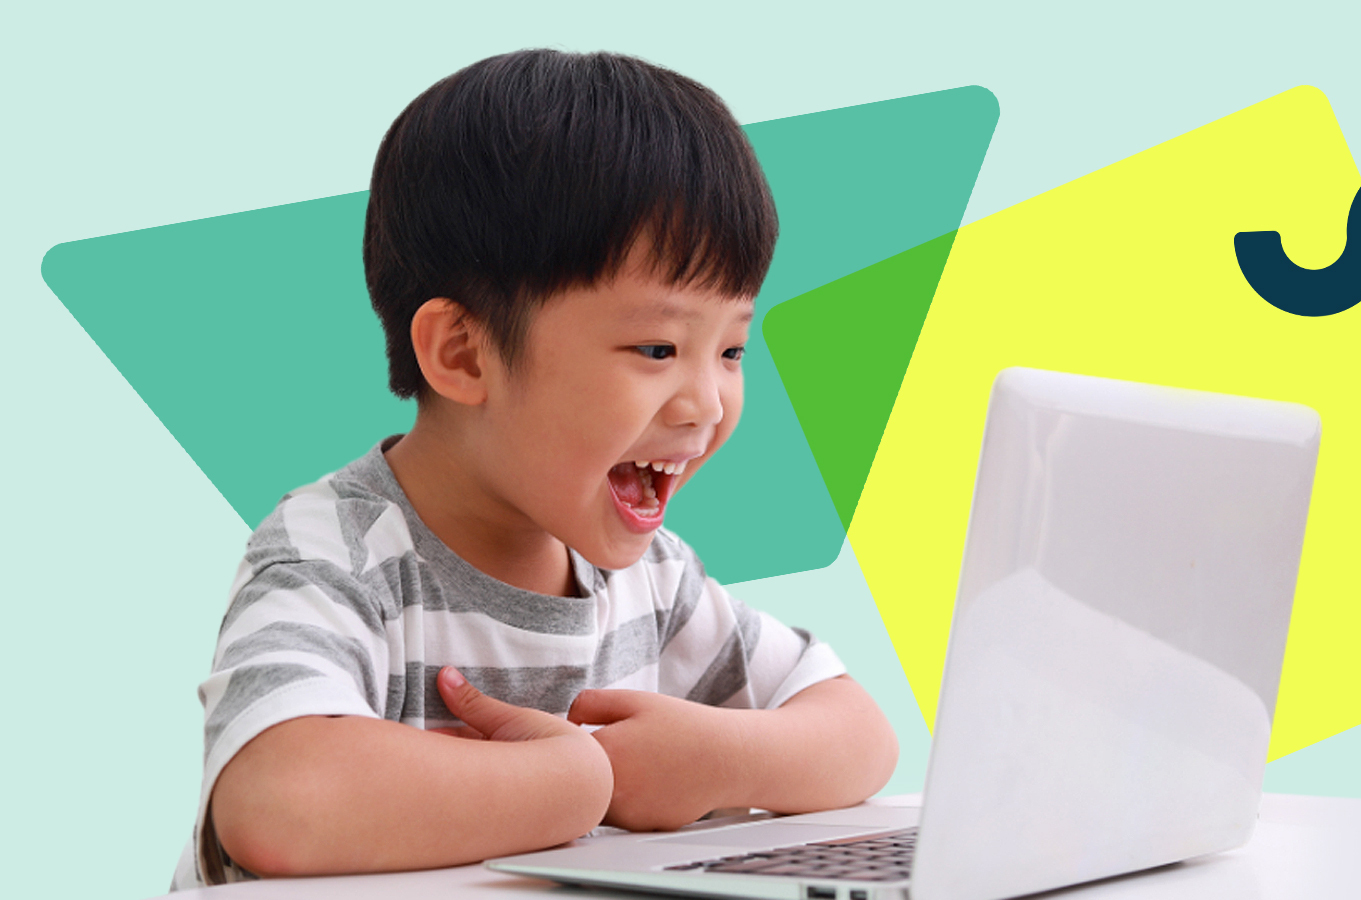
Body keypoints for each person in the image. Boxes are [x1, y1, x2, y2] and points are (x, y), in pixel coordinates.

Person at [172, 49, 898, 889]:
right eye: (657, 347)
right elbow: (279, 805)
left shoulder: (653, 581)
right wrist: (579, 780)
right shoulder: (338, 553)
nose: (705, 404)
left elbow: (860, 734)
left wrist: (721, 756)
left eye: (731, 348)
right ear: (463, 354)